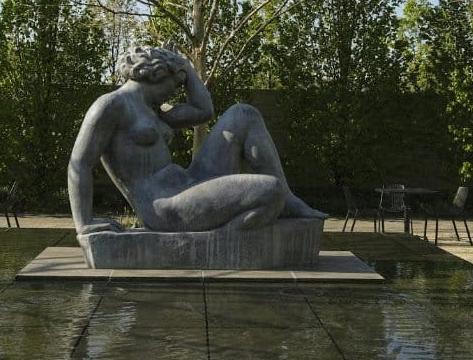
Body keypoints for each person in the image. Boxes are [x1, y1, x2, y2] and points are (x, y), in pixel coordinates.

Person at [68, 46, 326, 235]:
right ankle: (219, 241)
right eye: (177, 83)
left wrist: (187, 69)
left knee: (244, 114)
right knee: (269, 190)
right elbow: (79, 163)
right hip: (165, 206)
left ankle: (289, 200)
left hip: (190, 185)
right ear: (157, 75)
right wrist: (83, 223)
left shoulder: (154, 110)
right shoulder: (111, 105)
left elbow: (204, 111)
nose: (176, 90)